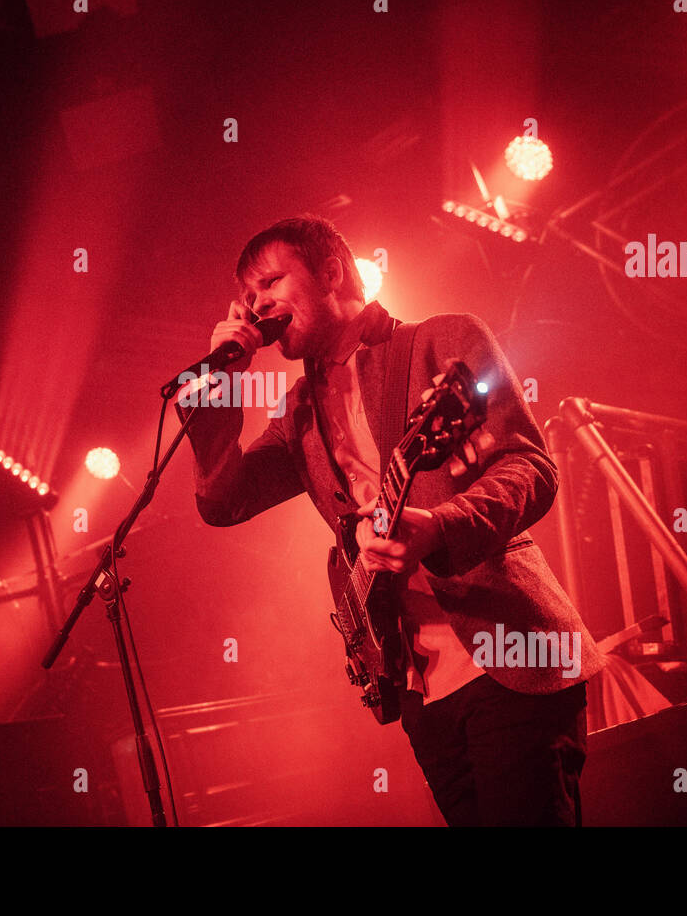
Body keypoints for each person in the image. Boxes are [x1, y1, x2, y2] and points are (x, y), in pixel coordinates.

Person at [181, 214, 607, 825]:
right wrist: (220, 383)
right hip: (420, 688)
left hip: (511, 653)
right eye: (249, 297)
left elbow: (530, 469)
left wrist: (442, 526)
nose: (258, 306)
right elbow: (224, 502)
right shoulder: (299, 411)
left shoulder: (442, 339)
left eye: (271, 283)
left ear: (331, 272)